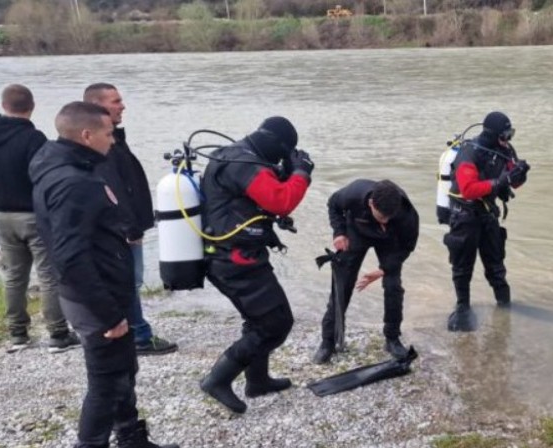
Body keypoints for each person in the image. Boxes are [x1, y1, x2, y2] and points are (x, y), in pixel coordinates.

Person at [30, 101, 180, 448]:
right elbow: (71, 255)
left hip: (98, 291)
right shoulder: (74, 183)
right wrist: (109, 313)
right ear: (86, 135)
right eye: (108, 134)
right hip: (93, 298)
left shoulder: (55, 161)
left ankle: (132, 443)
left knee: (122, 371)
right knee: (106, 381)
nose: (113, 141)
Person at [199, 116, 314, 414]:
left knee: (258, 318)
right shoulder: (245, 164)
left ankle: (258, 380)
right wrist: (301, 172)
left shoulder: (238, 155)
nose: (282, 158)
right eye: (285, 152)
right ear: (278, 144)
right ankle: (218, 379)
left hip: (232, 255)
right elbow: (281, 201)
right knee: (276, 323)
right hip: (235, 261)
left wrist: (288, 170)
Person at [0, 84, 80, 354]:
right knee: (49, 275)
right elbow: (46, 172)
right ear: (32, 106)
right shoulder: (34, 139)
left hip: (1, 214)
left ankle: (18, 333)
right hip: (33, 214)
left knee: (14, 276)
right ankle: (58, 333)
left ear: (3, 104)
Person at [83, 83, 177, 355]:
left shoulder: (113, 140)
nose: (122, 105)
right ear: (98, 106)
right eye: (116, 101)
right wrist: (129, 227)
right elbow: (112, 189)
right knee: (129, 281)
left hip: (124, 226)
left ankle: (129, 330)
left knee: (127, 281)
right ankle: (137, 334)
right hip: (122, 229)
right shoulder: (103, 146)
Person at [313, 179, 420, 364]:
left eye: (389, 218)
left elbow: (407, 247)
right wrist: (339, 232)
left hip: (390, 241)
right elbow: (333, 204)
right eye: (381, 217)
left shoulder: (407, 213)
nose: (385, 221)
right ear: (371, 203)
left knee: (393, 286)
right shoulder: (354, 193)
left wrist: (383, 270)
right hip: (357, 231)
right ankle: (328, 341)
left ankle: (392, 338)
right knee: (342, 285)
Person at [444, 111, 530, 331]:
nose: (508, 139)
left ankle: (505, 309)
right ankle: (463, 309)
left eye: (510, 134)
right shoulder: (469, 154)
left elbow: (513, 182)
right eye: (505, 135)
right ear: (492, 134)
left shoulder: (505, 150)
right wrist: (500, 181)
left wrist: (519, 175)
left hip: (487, 214)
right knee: (463, 267)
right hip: (464, 214)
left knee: (496, 266)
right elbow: (468, 189)